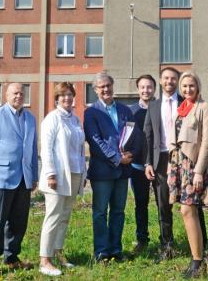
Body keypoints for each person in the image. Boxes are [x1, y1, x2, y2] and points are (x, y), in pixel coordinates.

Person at [143, 67, 207, 262]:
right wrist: (148, 162)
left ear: (177, 82)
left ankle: (201, 245)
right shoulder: (153, 106)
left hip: (185, 159)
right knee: (163, 205)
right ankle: (167, 246)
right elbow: (148, 135)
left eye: (173, 79)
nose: (169, 82)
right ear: (160, 82)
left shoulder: (187, 101)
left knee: (192, 204)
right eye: (165, 79)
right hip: (161, 159)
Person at [0, 83, 38, 279]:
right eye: (15, 93)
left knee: (19, 222)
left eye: (21, 93)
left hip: (23, 178)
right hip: (1, 178)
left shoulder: (30, 118)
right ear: (6, 95)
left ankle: (12, 257)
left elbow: (32, 150)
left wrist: (34, 176)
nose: (18, 96)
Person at [83, 71, 135, 262]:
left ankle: (115, 249)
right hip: (103, 172)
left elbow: (133, 134)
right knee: (99, 212)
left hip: (123, 172)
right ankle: (101, 252)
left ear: (113, 86)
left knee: (118, 212)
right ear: (96, 90)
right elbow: (95, 141)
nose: (106, 89)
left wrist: (131, 154)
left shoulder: (125, 110)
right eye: (101, 86)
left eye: (108, 85)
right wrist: (116, 158)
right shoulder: (91, 112)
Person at [167, 71, 208, 278]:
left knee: (188, 211)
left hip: (193, 166)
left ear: (198, 86)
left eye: (191, 86)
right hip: (179, 164)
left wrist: (198, 172)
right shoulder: (182, 108)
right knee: (187, 211)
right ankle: (197, 257)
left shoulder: (204, 107)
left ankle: (197, 261)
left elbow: (206, 142)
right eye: (184, 86)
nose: (187, 89)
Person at [37, 82, 87, 277]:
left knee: (65, 216)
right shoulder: (52, 119)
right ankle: (44, 260)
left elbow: (79, 149)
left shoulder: (74, 119)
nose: (67, 98)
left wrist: (83, 173)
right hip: (57, 176)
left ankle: (58, 252)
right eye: (63, 95)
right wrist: (50, 174)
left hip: (74, 174)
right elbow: (46, 149)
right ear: (57, 98)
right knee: (53, 216)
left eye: (70, 95)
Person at [127, 74, 156, 254]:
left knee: (163, 204)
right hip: (137, 166)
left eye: (149, 87)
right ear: (138, 89)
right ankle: (142, 239)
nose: (146, 90)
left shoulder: (160, 108)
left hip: (158, 165)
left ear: (154, 88)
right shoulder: (130, 111)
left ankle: (165, 239)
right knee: (141, 203)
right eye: (143, 87)